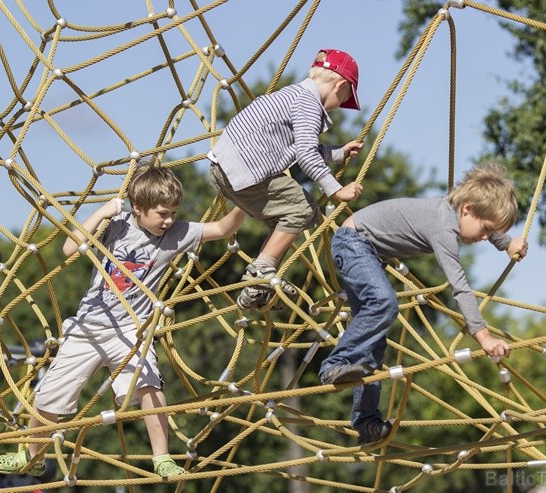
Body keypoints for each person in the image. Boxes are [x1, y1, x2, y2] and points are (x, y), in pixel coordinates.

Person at [0, 160, 246, 478]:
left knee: (150, 385)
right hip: (90, 326)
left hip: (131, 329)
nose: (169, 220)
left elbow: (223, 228)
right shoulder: (117, 226)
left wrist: (246, 200)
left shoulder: (178, 233)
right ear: (138, 207)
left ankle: (162, 457)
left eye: (173, 213)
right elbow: (70, 248)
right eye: (162, 213)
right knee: (50, 393)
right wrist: (102, 212)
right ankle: (32, 454)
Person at [318, 161, 529, 445]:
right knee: (384, 303)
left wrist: (506, 242)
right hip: (353, 244)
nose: (484, 238)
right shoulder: (443, 227)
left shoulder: (454, 210)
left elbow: (483, 215)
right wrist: (484, 337)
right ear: (467, 210)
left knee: (374, 344)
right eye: (486, 230)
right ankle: (335, 363)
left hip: (366, 252)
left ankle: (366, 423)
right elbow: (460, 287)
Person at [207, 48, 364, 311]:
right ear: (340, 86)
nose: (339, 108)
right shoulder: (309, 104)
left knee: (282, 218)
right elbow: (305, 152)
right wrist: (336, 190)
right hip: (247, 170)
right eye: (344, 99)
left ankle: (257, 285)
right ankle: (260, 272)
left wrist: (339, 152)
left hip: (224, 168)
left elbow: (297, 145)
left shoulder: (294, 94)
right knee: (303, 208)